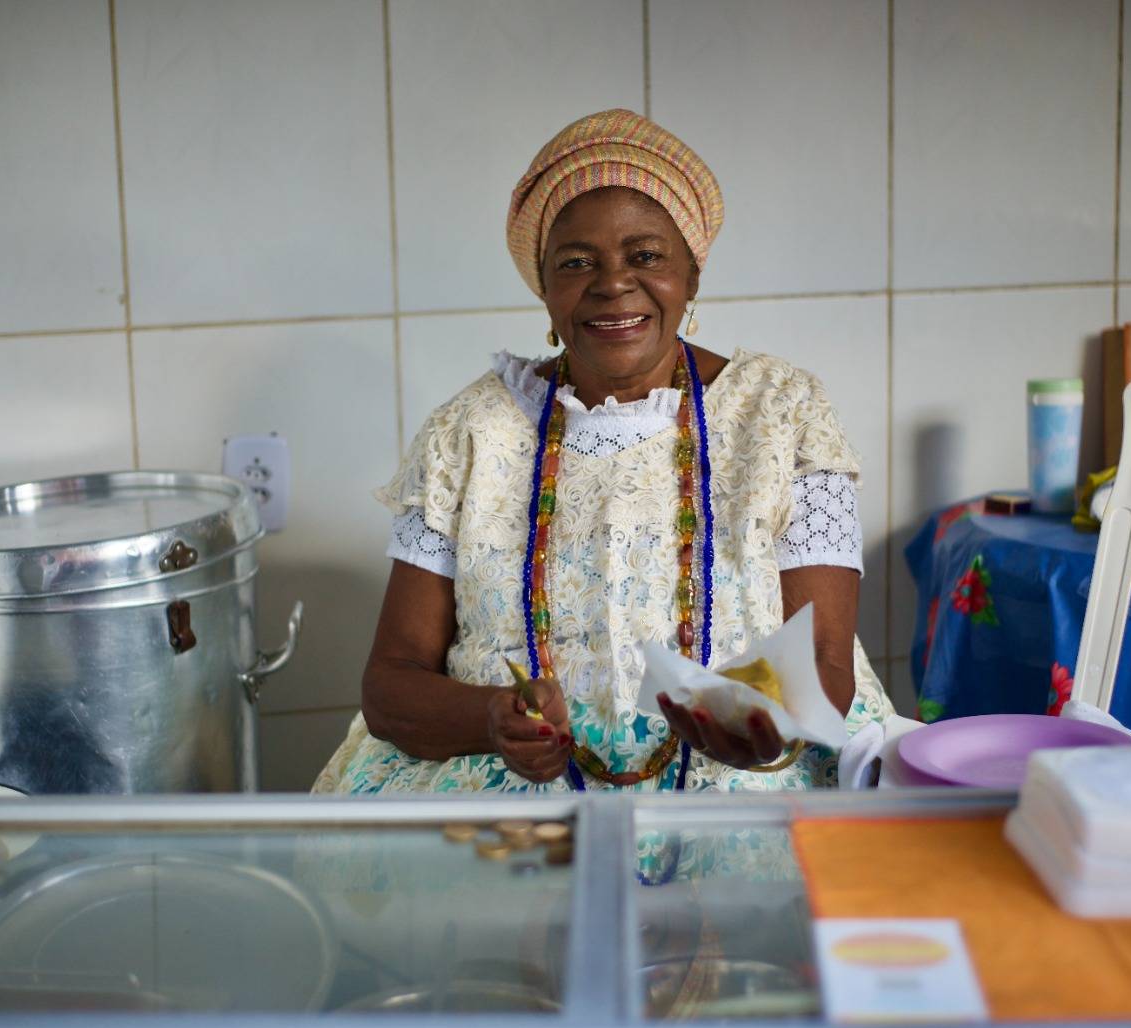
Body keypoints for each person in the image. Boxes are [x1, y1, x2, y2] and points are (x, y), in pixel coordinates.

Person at [313, 108, 891, 795]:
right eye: (577, 262)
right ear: (546, 289)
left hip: (745, 795)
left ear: (692, 277)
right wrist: (492, 718)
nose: (613, 282)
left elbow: (826, 660)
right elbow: (389, 685)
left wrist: (762, 724)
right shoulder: (467, 433)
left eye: (645, 255)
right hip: (506, 808)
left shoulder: (784, 413)